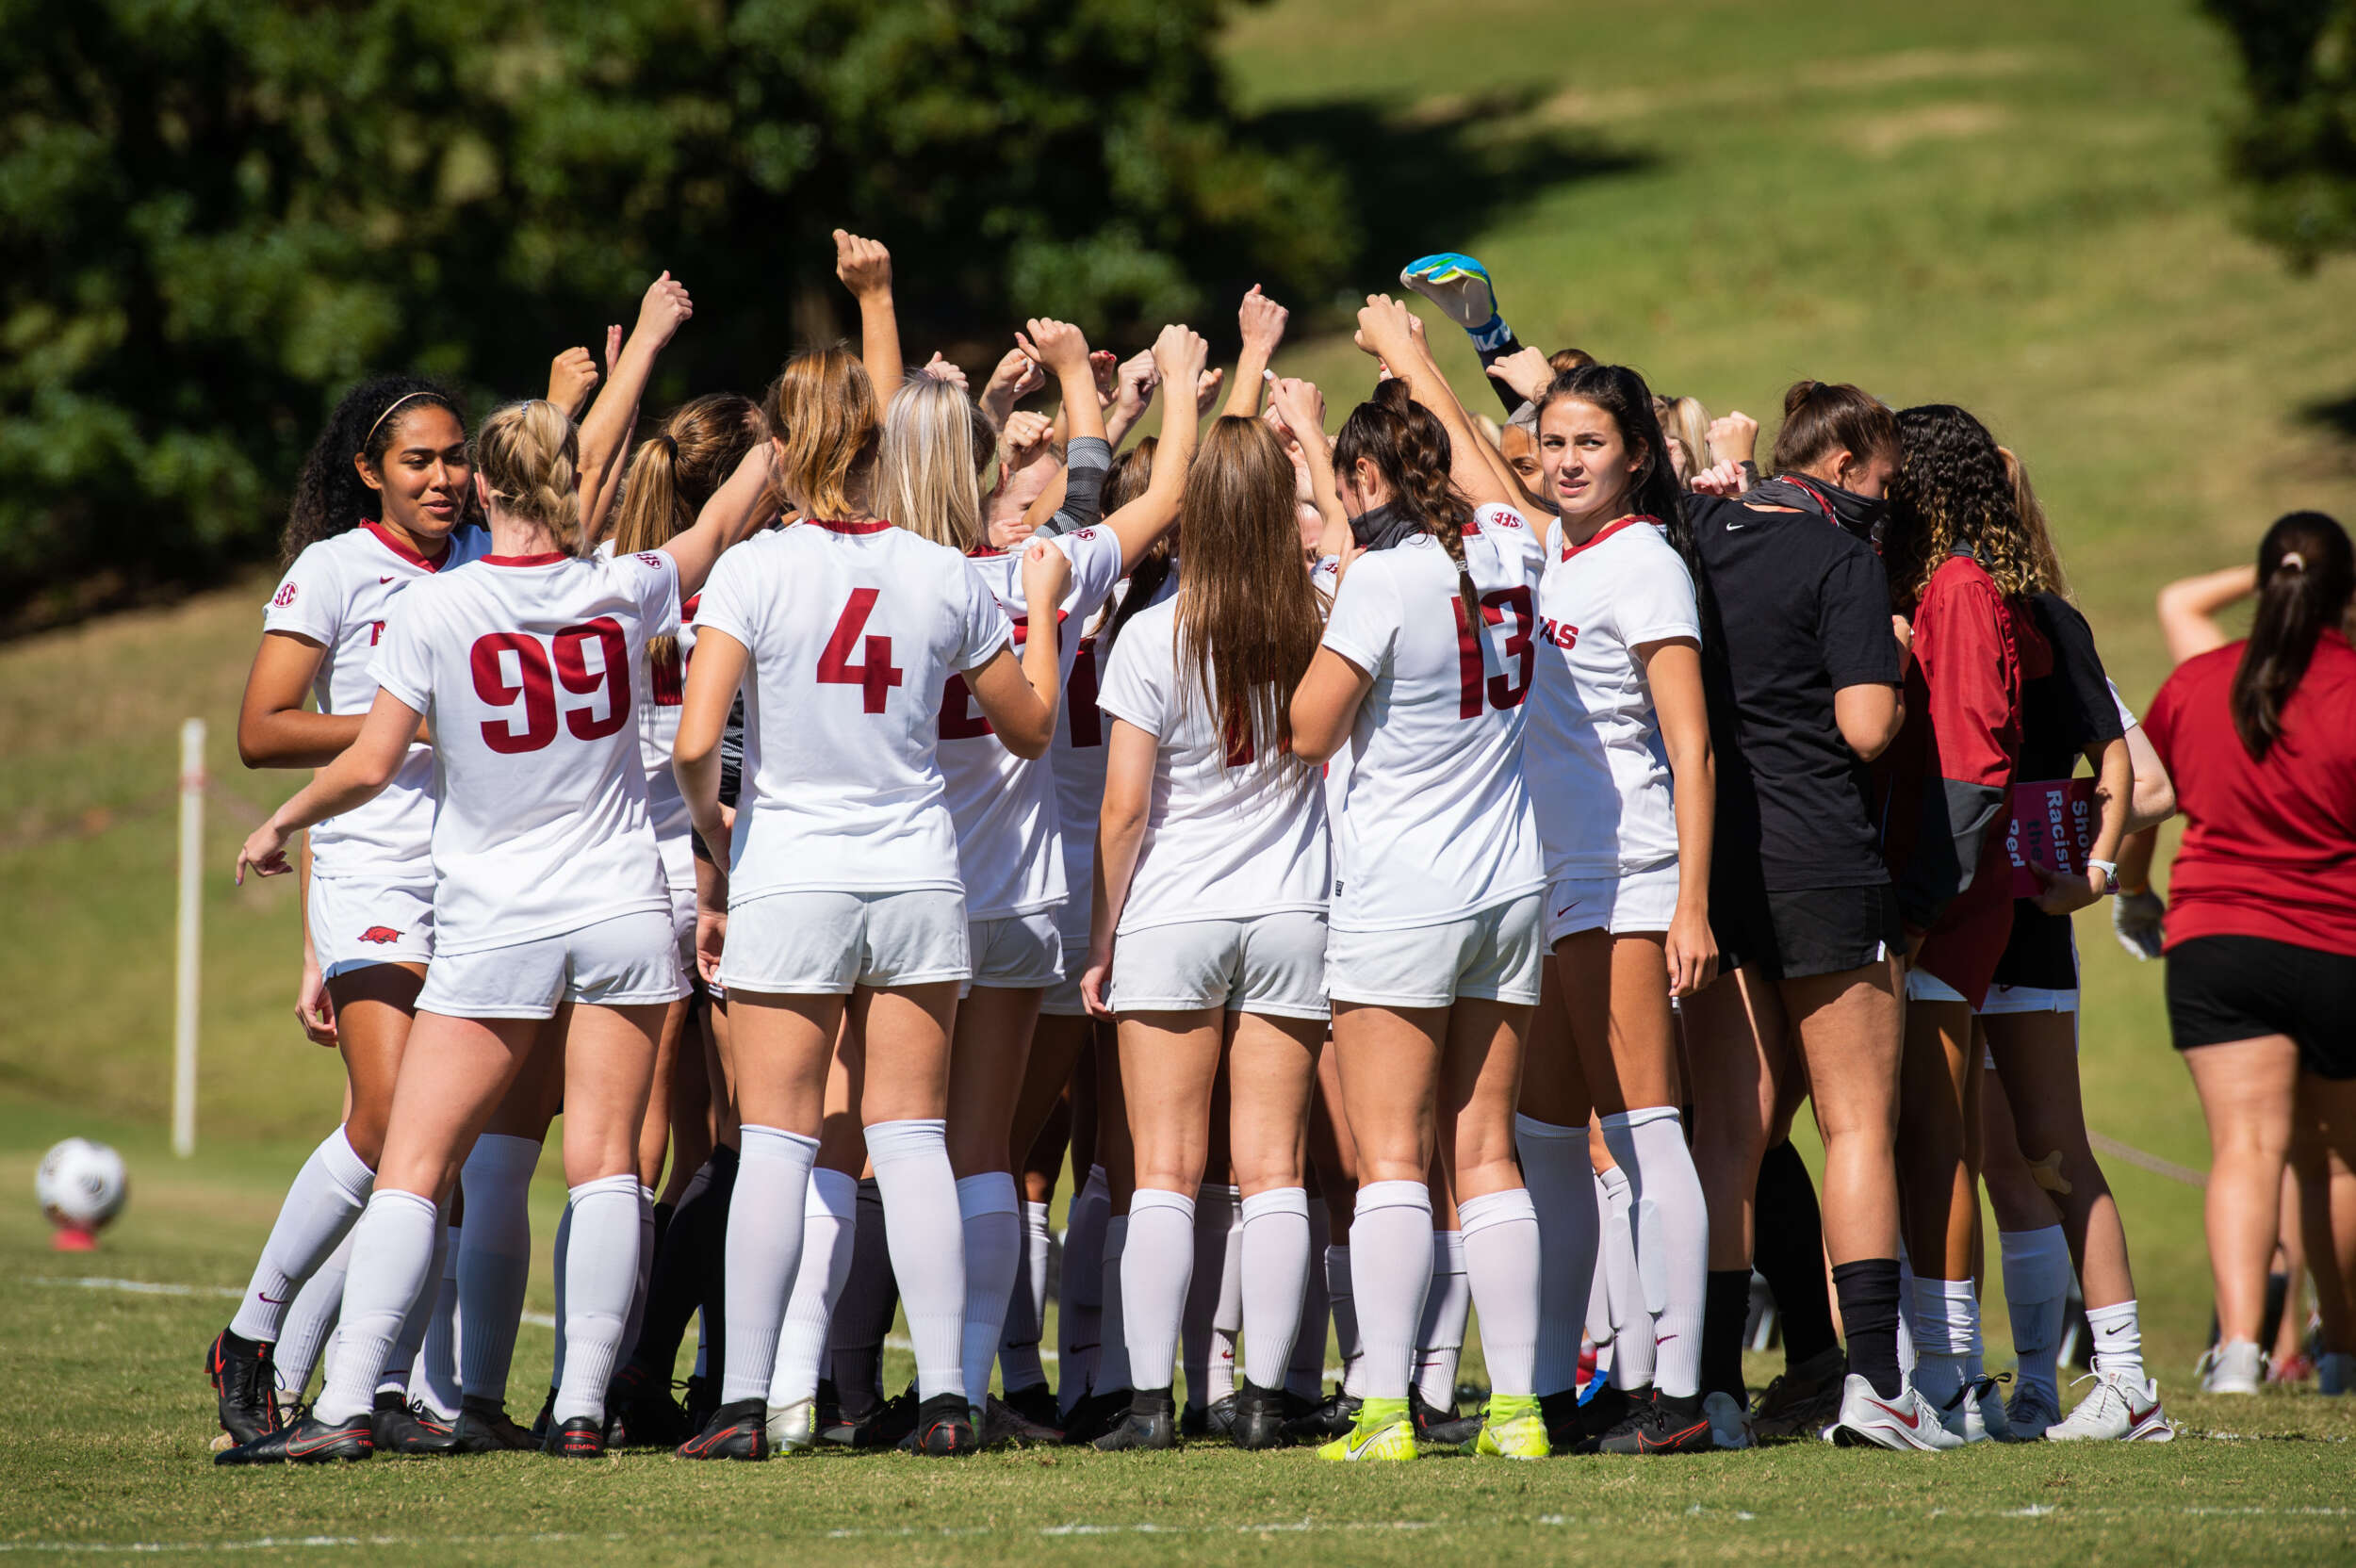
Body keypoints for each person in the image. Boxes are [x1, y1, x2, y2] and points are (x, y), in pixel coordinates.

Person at [221, 374, 765, 1464]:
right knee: (610, 1162)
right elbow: (715, 526)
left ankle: (347, 1404)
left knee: (416, 1162)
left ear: (485, 485)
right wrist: (790, 441)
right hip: (620, 910)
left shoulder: (436, 604)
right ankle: (577, 1407)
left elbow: (371, 760)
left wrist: (280, 820)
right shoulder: (623, 587)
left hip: (496, 920)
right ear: (573, 487)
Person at [670, 344, 1070, 1461]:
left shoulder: (753, 569)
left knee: (783, 1145)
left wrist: (719, 832)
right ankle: (948, 1393)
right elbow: (1028, 726)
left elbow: (697, 740)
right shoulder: (941, 571)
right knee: (913, 1140)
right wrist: (1037, 614)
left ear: (787, 448)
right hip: (912, 876)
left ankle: (746, 1401)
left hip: (793, 869)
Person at [208, 374, 488, 1457]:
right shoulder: (332, 568)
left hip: (470, 877)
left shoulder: (480, 563)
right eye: (420, 460)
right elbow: (262, 729)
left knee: (439, 1149)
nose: (444, 478)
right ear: (370, 470)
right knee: (386, 1123)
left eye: (456, 456)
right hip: (370, 869)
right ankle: (254, 1331)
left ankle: (398, 1389)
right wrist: (393, 728)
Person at [1289, 297, 1548, 1463]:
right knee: (1486, 1152)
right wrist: (1417, 360)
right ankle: (1520, 1408)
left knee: (1392, 1155)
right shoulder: (1512, 547)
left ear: (1363, 475)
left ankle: (1387, 1407)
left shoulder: (1385, 579)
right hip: (1511, 882)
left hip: (1406, 885)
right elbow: (1496, 475)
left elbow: (1305, 729)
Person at [1676, 380, 1951, 1449]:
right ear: (1842, 472)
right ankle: (1876, 1382)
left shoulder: (1697, 532)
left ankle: (1708, 1390)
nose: (1887, 504)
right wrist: (1896, 654)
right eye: (1882, 485)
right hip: (1822, 859)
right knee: (1853, 1126)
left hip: (1718, 869)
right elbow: (1868, 725)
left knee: (1730, 1136)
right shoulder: (1842, 556)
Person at [1080, 392, 1333, 1451]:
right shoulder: (1321, 614)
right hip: (1290, 905)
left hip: (1175, 912)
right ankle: (1269, 1396)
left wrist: (1102, 932)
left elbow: (1125, 806)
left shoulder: (1149, 635)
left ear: (1186, 515)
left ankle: (1149, 1402)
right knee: (1273, 1166)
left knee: (1164, 1170)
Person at [1514, 364, 1721, 1453]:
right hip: (1551, 882)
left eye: (1589, 443)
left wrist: (1688, 903)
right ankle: (1553, 1387)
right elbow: (1473, 459)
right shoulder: (1561, 551)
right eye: (1552, 443)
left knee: (1645, 1135)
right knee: (1542, 1137)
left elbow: (1690, 746)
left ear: (1635, 455)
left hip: (1626, 874)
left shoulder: (1642, 561)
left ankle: (1677, 1392)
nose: (1566, 460)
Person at [1972, 448, 2173, 1442]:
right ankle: (2014, 1384)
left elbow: (2146, 774)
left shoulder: (2046, 621)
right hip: (1969, 918)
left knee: (2038, 1154)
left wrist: (2091, 871)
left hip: (2026, 921)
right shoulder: (1949, 609)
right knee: (1981, 1155)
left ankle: (2099, 1380)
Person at [2140, 513, 2356, 1398]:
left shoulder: (2198, 680)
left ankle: (2236, 1352)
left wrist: (2131, 895)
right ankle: (2340, 1349)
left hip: (2216, 938)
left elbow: (2146, 797)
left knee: (2245, 1148)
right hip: (2338, 940)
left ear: (2267, 583)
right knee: (2336, 1159)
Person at [1879, 402, 2051, 1442]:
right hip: (1938, 895)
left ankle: (1947, 1374)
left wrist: (1915, 904)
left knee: (1933, 1140)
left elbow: (1974, 768)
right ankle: (1936, 1365)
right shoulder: (1940, 586)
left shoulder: (1955, 588)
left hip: (1945, 900)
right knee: (1915, 1136)